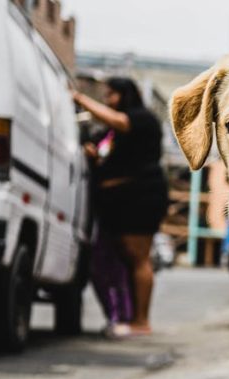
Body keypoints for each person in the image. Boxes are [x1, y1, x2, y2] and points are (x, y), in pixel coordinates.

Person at [73, 78, 168, 336]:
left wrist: (81, 100)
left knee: (138, 258)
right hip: (117, 202)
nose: (108, 100)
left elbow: (120, 122)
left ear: (127, 94)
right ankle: (126, 314)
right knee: (123, 258)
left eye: (112, 94)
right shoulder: (109, 132)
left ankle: (141, 321)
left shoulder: (141, 118)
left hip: (140, 198)